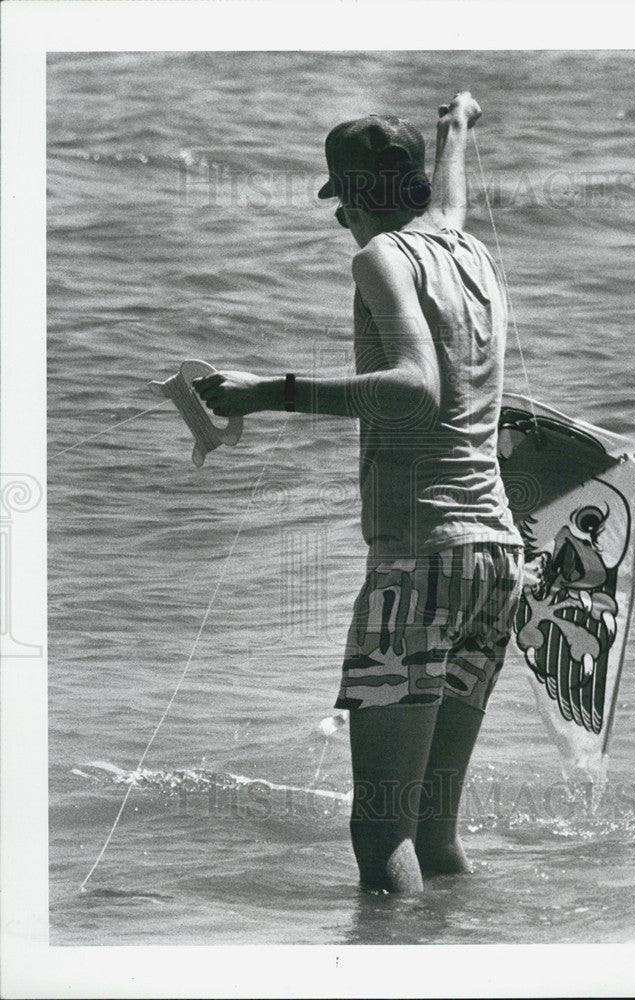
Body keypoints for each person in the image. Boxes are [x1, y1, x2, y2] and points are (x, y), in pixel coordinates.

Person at [194, 93, 526, 893]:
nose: (340, 218)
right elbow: (446, 198)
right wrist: (458, 127)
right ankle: (468, 949)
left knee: (381, 836)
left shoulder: (381, 259)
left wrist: (261, 393)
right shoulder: (466, 247)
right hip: (494, 562)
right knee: (434, 832)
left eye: (341, 201)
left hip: (418, 565)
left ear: (364, 195)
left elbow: (415, 388)